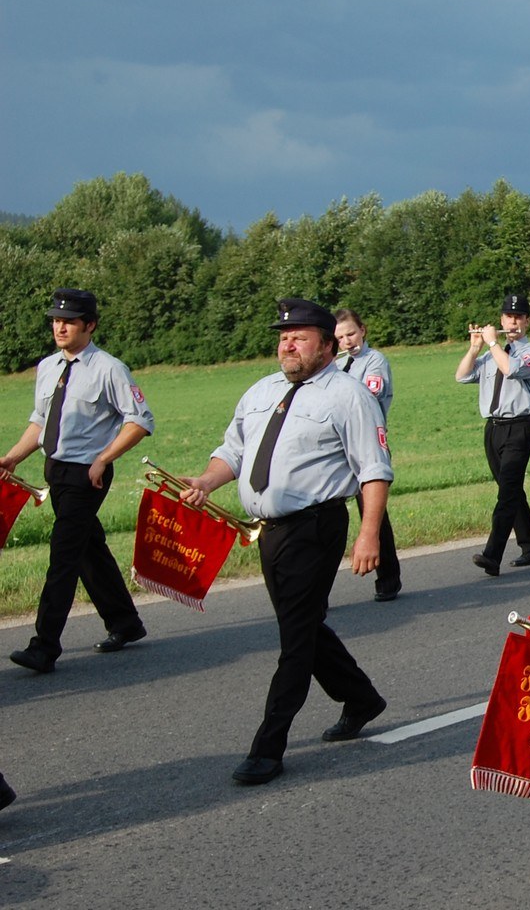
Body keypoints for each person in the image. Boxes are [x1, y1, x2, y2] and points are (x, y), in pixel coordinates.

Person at [178, 298, 391, 785]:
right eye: (283, 337)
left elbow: (374, 470)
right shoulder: (262, 391)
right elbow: (232, 450)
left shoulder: (349, 396)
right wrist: (207, 481)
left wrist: (368, 535)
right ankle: (360, 697)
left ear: (327, 344)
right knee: (304, 626)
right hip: (269, 532)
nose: (287, 345)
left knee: (295, 639)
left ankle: (268, 747)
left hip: (315, 528)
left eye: (299, 337)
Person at [3, 289, 153, 674]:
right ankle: (125, 621)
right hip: (55, 469)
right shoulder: (48, 367)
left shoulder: (109, 368)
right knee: (88, 548)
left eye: (69, 322)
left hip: (88, 474)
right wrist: (13, 457)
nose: (60, 327)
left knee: (63, 555)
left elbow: (139, 421)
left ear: (90, 325)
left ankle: (44, 646)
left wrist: (104, 459)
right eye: (56, 321)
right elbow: (40, 421)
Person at [456, 293, 530, 575]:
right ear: (501, 319)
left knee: (507, 493)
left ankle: (492, 555)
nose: (513, 322)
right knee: (511, 490)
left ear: (527, 321)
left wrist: (493, 343)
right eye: (509, 317)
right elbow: (461, 376)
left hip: (519, 427)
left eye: (519, 317)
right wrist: (474, 348)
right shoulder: (489, 355)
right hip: (493, 429)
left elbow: (509, 368)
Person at [334, 308, 401, 602]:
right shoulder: (337, 365)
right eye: (339, 338)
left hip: (366, 445)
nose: (347, 342)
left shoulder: (375, 361)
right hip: (338, 447)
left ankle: (388, 577)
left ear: (362, 330)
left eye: (350, 334)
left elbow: (366, 397)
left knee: (372, 513)